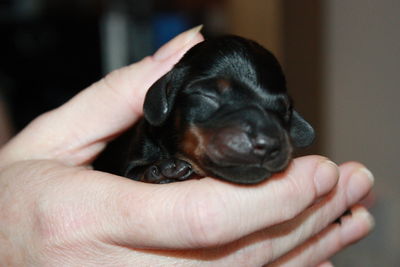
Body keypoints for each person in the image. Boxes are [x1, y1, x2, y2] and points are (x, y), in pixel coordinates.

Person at [0, 26, 374, 266]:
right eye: (211, 97)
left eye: (276, 113)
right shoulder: (135, 140)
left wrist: (311, 209)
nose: (263, 135)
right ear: (165, 98)